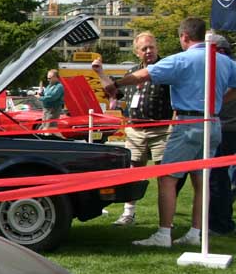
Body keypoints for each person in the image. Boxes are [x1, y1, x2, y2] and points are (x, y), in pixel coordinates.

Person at [94, 18, 236, 247]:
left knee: (167, 178)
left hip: (189, 122)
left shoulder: (181, 60)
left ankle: (163, 234)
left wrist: (117, 84)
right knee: (201, 179)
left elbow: (144, 75)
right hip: (213, 122)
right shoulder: (224, 61)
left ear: (184, 37)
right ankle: (195, 232)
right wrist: (217, 101)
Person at [111, 32, 169, 226]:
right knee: (133, 171)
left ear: (157, 48)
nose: (149, 51)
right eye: (144, 48)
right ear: (137, 52)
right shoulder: (132, 73)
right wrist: (100, 73)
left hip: (162, 129)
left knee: (165, 175)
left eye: (151, 47)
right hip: (135, 129)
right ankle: (128, 214)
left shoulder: (166, 69)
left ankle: (166, 221)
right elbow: (113, 93)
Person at [209, 37, 236, 235]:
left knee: (218, 179)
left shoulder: (226, 69)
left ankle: (220, 223)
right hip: (223, 128)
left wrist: (215, 103)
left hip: (226, 130)